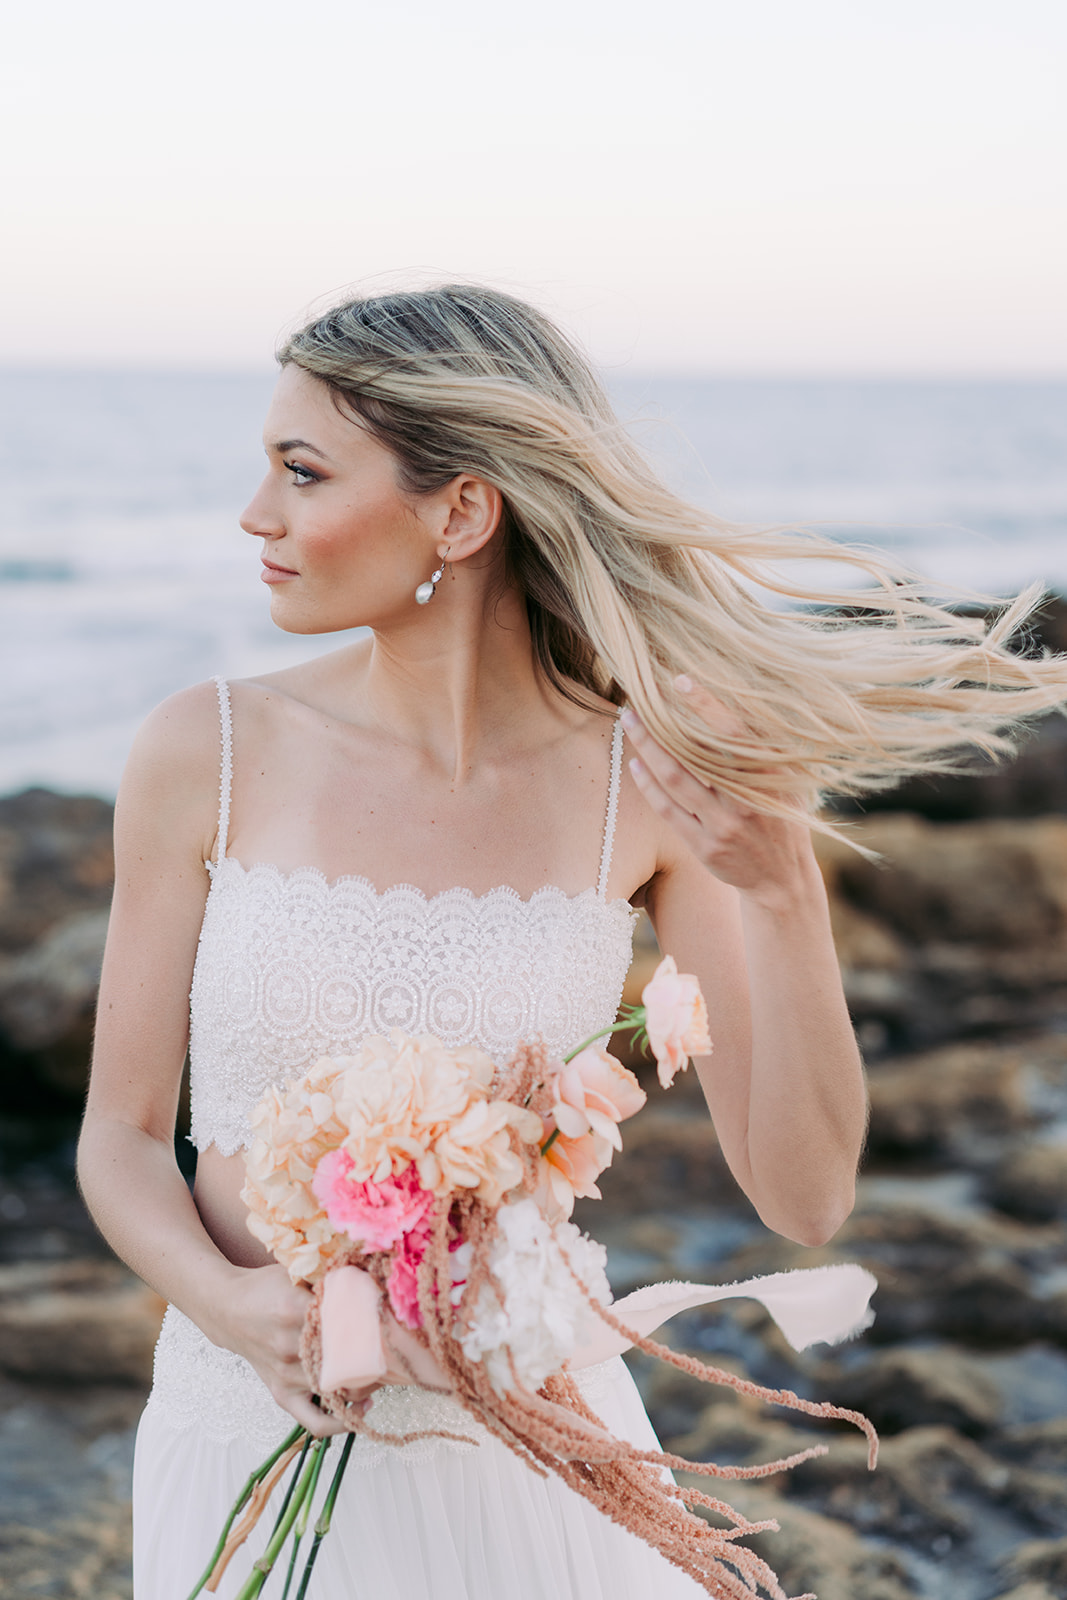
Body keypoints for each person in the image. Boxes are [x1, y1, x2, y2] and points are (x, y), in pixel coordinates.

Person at [77, 284, 1067, 1599]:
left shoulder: (646, 783)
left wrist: (786, 896)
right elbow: (124, 1138)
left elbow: (805, 1195)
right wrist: (231, 1307)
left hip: (532, 1458)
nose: (255, 516)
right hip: (239, 1423)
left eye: (301, 473)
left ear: (463, 513)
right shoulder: (202, 750)